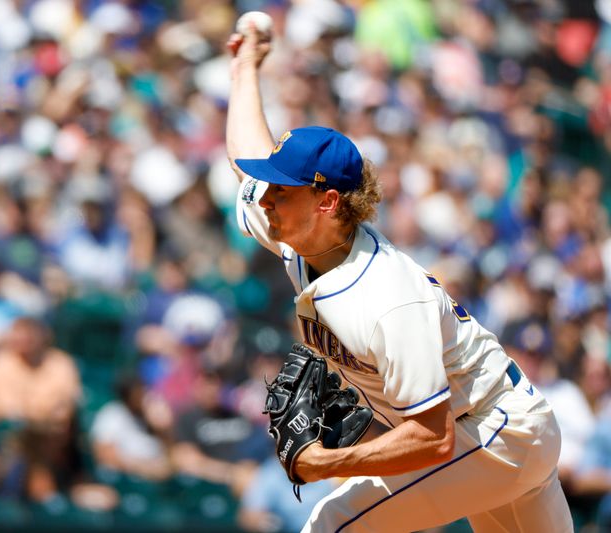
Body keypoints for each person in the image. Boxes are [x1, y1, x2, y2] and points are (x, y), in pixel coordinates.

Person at [225, 25, 572, 532]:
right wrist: (245, 69)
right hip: (499, 430)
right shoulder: (300, 235)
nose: (266, 197)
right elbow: (244, 160)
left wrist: (323, 463)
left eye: (282, 188)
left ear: (327, 202)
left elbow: (432, 438)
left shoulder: (387, 297)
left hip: (497, 431)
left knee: (333, 523)